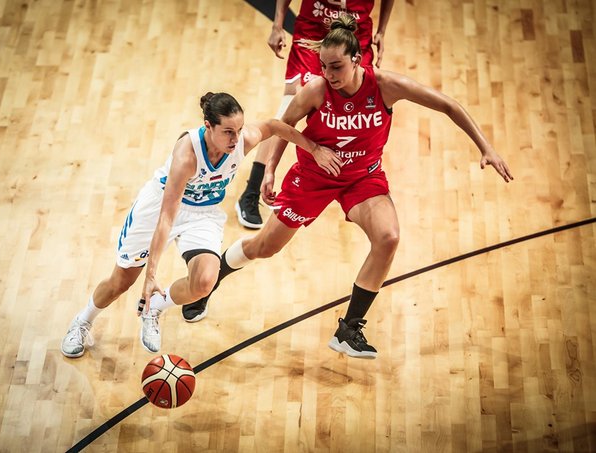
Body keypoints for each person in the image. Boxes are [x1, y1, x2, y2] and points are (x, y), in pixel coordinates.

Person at [183, 15, 514, 359]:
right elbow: (283, 125)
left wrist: (485, 147)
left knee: (389, 238)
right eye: (324, 66)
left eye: (336, 66)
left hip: (362, 177)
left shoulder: (385, 85)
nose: (329, 74)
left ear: (357, 59)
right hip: (312, 178)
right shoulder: (316, 90)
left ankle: (348, 329)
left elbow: (448, 104)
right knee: (265, 247)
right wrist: (269, 172)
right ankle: (214, 276)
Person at [61, 92, 335, 357]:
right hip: (160, 208)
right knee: (121, 282)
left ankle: (155, 307)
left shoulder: (242, 140)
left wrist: (313, 148)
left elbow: (275, 126)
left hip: (202, 213)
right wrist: (151, 274)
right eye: (228, 131)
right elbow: (167, 217)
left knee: (204, 281)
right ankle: (82, 322)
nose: (236, 138)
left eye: (239, 129)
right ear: (208, 127)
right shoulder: (187, 155)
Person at [235, 0, 395, 230]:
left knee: (361, 109)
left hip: (355, 35)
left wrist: (382, 30)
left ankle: (359, 178)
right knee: (288, 108)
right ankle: (253, 189)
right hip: (314, 29)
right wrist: (277, 24)